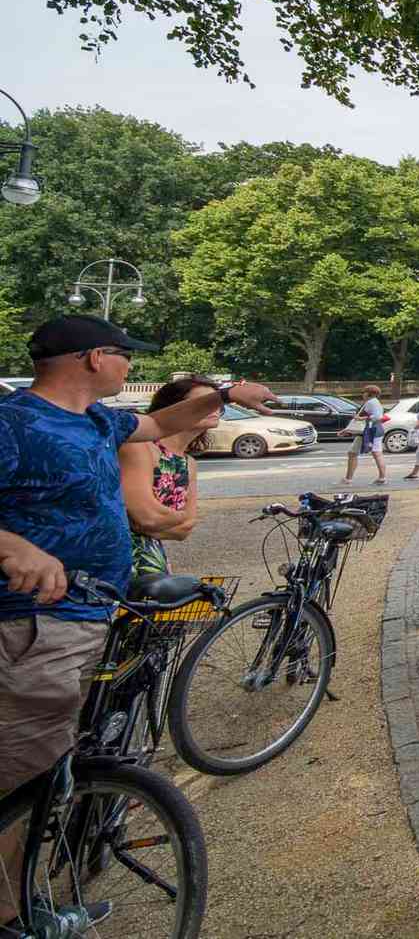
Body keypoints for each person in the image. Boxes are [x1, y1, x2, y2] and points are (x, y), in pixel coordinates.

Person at [0, 317, 272, 934]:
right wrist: (12, 546)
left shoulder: (100, 419)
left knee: (42, 772)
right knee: (18, 776)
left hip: (82, 617)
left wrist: (226, 395)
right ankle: (12, 917)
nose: (132, 369)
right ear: (94, 358)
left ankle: (23, 903)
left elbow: (163, 423)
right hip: (31, 625)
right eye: (126, 357)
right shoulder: (13, 423)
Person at [116, 377, 207, 576]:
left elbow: (185, 529)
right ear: (174, 408)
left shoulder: (188, 462)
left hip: (152, 560)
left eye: (216, 402)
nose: (213, 408)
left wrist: (159, 520)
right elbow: (145, 518)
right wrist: (171, 518)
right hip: (118, 560)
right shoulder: (139, 446)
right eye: (203, 403)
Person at [343, 382, 390, 485]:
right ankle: (382, 477)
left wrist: (361, 418)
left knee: (353, 453)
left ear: (369, 393)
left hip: (369, 431)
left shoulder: (371, 402)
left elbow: (377, 416)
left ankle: (348, 479)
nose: (362, 394)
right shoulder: (374, 402)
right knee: (377, 453)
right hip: (375, 430)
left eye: (364, 392)